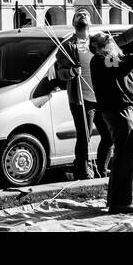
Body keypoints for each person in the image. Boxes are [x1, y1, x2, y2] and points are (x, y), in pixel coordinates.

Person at [89, 27, 133, 214]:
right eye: (107, 38)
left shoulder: (110, 59)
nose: (112, 39)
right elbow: (124, 66)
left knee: (124, 156)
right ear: (99, 46)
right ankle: (120, 203)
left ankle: (118, 200)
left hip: (124, 110)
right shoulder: (101, 59)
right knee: (124, 156)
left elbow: (130, 62)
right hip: (119, 112)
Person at [56, 9, 111, 179]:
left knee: (109, 135)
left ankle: (102, 169)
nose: (82, 15)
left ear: (90, 21)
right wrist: (71, 72)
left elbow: (118, 47)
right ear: (74, 23)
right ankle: (83, 172)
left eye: (85, 13)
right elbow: (60, 72)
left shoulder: (97, 41)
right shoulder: (67, 45)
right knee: (84, 137)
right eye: (78, 14)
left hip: (102, 97)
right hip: (81, 99)